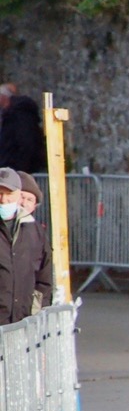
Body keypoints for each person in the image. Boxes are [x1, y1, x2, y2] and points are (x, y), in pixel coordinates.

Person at [0, 167, 52, 323]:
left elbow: (44, 277)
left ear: (17, 195)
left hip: (23, 321)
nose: (3, 200)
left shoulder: (34, 230)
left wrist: (37, 314)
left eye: (9, 194)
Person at [0, 83, 47, 174]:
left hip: (19, 169)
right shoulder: (11, 114)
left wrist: (20, 168)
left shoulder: (20, 114)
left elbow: (25, 141)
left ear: (4, 97)